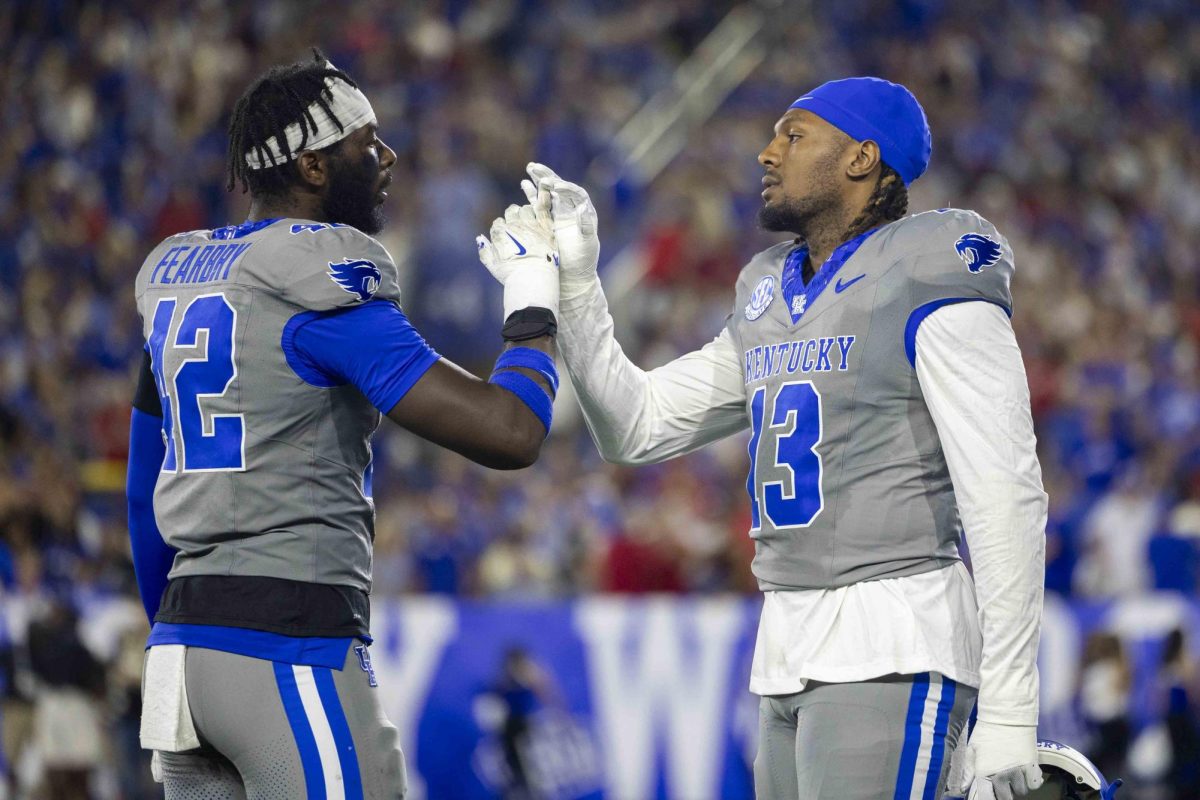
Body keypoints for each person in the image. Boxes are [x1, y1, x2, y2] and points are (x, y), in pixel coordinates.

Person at [482, 77, 1047, 798]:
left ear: (861, 158)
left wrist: (1010, 708)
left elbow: (1005, 494)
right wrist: (580, 287)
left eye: (794, 135)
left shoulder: (930, 267)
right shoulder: (772, 291)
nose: (766, 152)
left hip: (895, 642)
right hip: (787, 645)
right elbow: (638, 425)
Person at [126, 50, 561, 799]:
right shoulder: (314, 280)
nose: (388, 157)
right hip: (286, 641)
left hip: (182, 656)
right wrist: (533, 309)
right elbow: (511, 432)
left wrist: (185, 623)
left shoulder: (184, 275)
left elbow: (142, 492)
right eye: (368, 142)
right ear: (315, 166)